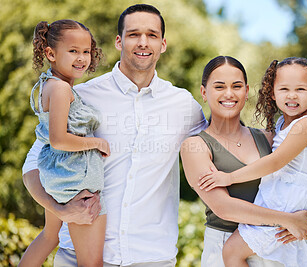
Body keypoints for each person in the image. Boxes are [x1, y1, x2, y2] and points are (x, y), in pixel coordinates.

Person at [22, 4, 207, 267]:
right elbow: (32, 167)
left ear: (163, 44)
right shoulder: (82, 97)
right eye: (133, 34)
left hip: (151, 258)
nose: (143, 42)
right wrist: (60, 210)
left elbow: (218, 147)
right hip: (76, 256)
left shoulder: (183, 104)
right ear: (119, 41)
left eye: (152, 35)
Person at [180, 56, 307, 267]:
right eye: (219, 86)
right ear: (204, 93)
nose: (229, 93)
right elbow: (224, 208)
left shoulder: (267, 138)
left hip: (275, 249)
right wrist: (287, 220)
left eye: (237, 86)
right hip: (225, 250)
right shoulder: (195, 147)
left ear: (247, 91)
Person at [19, 19, 108, 267]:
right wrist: (95, 143)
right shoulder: (60, 89)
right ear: (50, 53)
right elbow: (58, 139)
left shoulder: (50, 84)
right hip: (76, 183)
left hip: (59, 175)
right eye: (73, 51)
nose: (81, 58)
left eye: (86, 51)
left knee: (50, 236)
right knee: (91, 263)